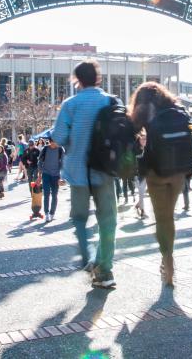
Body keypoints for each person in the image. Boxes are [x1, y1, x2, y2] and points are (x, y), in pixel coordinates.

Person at [52, 60, 118, 289]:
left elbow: (58, 138)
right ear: (98, 77)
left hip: (78, 172)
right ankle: (105, 268)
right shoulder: (112, 101)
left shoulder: (71, 104)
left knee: (80, 219)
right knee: (108, 220)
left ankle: (88, 256)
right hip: (106, 170)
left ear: (77, 79)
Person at [130, 81, 192, 286]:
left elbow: (131, 134)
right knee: (170, 217)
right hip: (178, 171)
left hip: (156, 171)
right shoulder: (178, 109)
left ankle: (167, 261)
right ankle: (168, 259)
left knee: (161, 217)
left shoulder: (146, 112)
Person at [38, 135, 64, 221]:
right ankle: (46, 213)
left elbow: (64, 164)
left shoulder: (60, 149)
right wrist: (39, 176)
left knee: (54, 195)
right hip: (46, 174)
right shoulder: (45, 149)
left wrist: (62, 178)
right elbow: (40, 162)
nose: (55, 145)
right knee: (46, 194)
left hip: (56, 176)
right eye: (54, 143)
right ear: (50, 142)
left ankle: (52, 213)